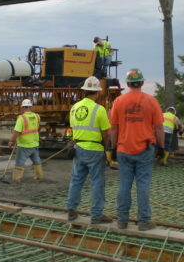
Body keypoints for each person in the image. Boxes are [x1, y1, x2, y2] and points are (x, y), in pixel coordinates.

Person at [111, 68, 164, 231]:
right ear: (141, 82)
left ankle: (122, 220)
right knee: (143, 185)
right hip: (145, 149)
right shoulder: (151, 101)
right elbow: (159, 128)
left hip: (123, 149)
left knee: (124, 185)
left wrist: (113, 148)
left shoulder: (119, 102)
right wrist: (162, 147)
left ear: (127, 83)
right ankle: (143, 221)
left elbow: (114, 128)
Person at [66, 76, 112, 224]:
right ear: (97, 93)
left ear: (84, 91)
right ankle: (96, 215)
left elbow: (73, 129)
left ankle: (71, 210)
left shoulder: (74, 107)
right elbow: (106, 133)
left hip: (78, 148)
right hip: (95, 149)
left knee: (76, 180)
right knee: (97, 182)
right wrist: (106, 150)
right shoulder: (99, 109)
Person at [8, 99, 43, 182]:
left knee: (19, 162)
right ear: (31, 107)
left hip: (24, 145)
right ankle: (39, 176)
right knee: (36, 161)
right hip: (34, 144)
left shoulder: (22, 118)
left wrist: (12, 141)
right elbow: (36, 128)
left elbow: (17, 131)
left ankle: (17, 178)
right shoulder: (37, 116)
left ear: (22, 107)